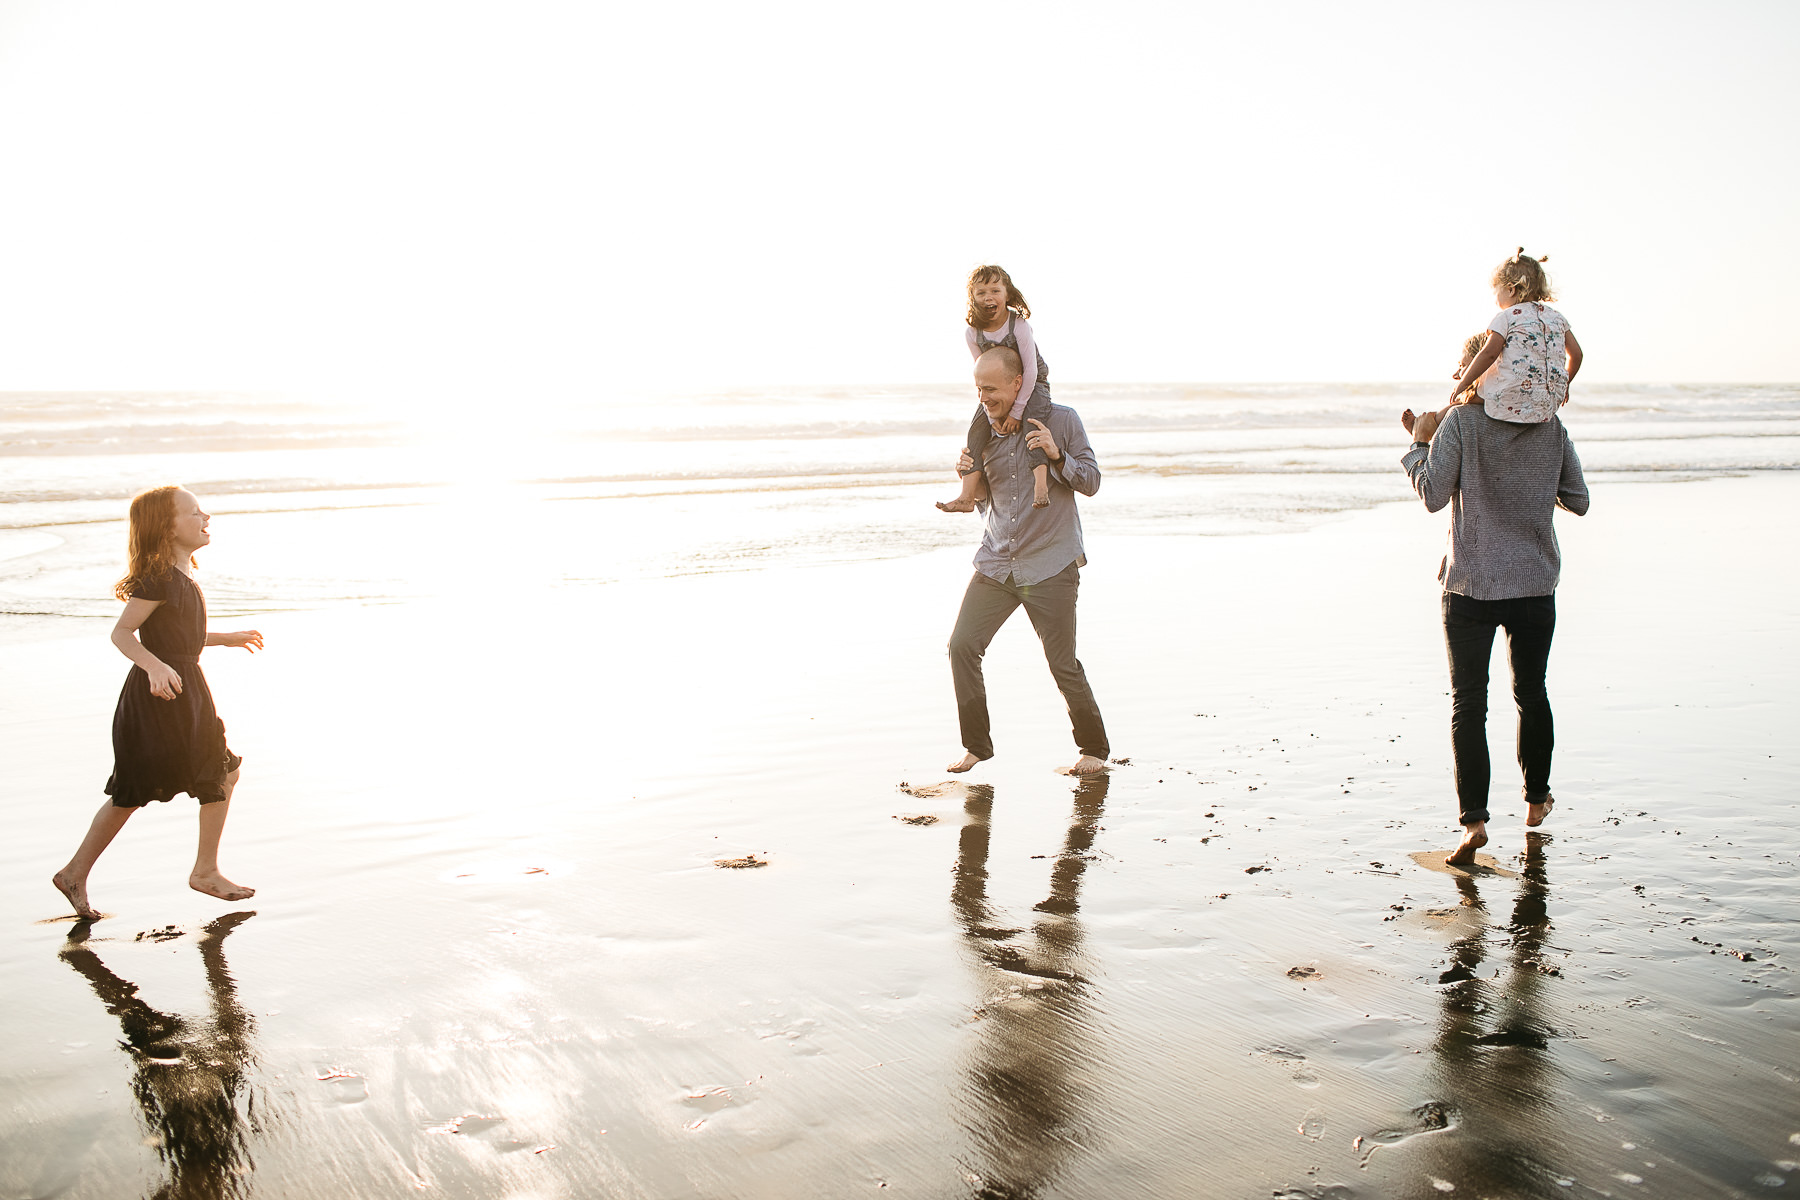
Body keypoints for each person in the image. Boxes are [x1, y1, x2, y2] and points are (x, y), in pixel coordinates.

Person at [1400, 381, 1589, 865]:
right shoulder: (1550, 426)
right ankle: (1534, 802)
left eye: (1465, 369)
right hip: (1533, 583)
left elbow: (1432, 496)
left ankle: (1475, 823)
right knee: (1531, 691)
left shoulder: (1460, 422)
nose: (1458, 380)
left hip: (1470, 587)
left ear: (1484, 372)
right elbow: (1578, 499)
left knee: (1469, 703)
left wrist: (1421, 444)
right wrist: (1530, 482)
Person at [52, 486, 263, 919]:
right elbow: (123, 634)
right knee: (142, 787)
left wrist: (223, 639)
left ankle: (76, 872)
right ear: (167, 527)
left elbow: (177, 637)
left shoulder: (183, 574)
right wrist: (154, 667)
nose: (206, 516)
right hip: (158, 697)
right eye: (194, 512)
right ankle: (203, 871)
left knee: (211, 773)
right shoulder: (158, 577)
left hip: (183, 690)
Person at [946, 345, 1109, 777]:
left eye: (991, 388)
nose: (984, 397)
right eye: (979, 389)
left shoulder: (1062, 419)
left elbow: (1091, 481)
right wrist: (968, 478)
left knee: (1062, 664)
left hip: (1051, 564)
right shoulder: (982, 432)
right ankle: (976, 746)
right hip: (997, 562)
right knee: (962, 646)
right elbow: (986, 501)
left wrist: (1057, 456)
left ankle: (1093, 749)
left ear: (1019, 383)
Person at [938, 265, 1055, 513]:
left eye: (995, 290)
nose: (988, 297)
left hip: (1033, 384)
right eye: (981, 292)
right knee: (975, 434)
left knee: (1032, 424)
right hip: (999, 388)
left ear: (1007, 294)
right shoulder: (973, 333)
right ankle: (967, 496)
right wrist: (992, 417)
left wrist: (1016, 412)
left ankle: (1041, 485)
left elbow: (1031, 372)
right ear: (972, 297)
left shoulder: (1019, 325)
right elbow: (982, 373)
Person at [1447, 249, 1584, 425]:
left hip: (1510, 399)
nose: (1495, 299)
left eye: (1496, 292)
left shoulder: (1506, 317)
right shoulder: (1557, 318)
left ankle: (1433, 421)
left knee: (1465, 400)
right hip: (1547, 403)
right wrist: (1564, 385)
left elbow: (1489, 353)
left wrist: (1464, 383)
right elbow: (1577, 354)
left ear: (1511, 289)